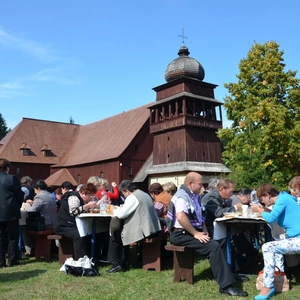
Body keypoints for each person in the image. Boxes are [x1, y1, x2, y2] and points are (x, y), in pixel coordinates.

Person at [166, 172, 248, 297]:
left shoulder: (195, 196)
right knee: (213, 246)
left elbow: (200, 217)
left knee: (221, 240)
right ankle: (226, 286)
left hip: (189, 232)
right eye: (200, 184)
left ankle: (230, 274)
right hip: (180, 235)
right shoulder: (182, 196)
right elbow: (181, 217)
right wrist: (196, 233)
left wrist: (204, 230)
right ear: (190, 184)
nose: (202, 186)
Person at [253, 183, 300, 300]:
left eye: (262, 198)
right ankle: (279, 279)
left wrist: (260, 211)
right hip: (295, 237)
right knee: (275, 247)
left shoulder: (282, 199)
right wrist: (264, 210)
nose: (262, 201)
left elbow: (270, 218)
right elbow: (275, 215)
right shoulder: (285, 198)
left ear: (267, 195)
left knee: (267, 247)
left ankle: (268, 286)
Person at [108, 180, 161, 273]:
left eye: (123, 193)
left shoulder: (132, 197)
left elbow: (121, 215)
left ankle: (117, 264)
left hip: (145, 230)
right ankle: (125, 261)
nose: (124, 196)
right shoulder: (144, 194)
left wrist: (113, 210)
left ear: (127, 191)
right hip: (152, 228)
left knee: (115, 235)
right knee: (121, 233)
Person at [54, 183, 101, 260]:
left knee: (91, 232)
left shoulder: (83, 199)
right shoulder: (74, 198)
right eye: (89, 196)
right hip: (63, 225)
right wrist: (88, 206)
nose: (91, 198)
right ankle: (80, 260)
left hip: (72, 224)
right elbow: (73, 212)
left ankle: (92, 257)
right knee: (79, 235)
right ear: (82, 193)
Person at [22, 179, 57, 256]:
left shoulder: (39, 197)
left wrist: (28, 205)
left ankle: (30, 250)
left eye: (35, 189)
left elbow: (32, 211)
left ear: (38, 188)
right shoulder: (50, 195)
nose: (34, 192)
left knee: (25, 228)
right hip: (53, 223)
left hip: (45, 224)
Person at [0, 158, 24, 267]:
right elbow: (19, 195)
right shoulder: (11, 178)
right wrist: (16, 206)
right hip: (11, 211)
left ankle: (1, 262)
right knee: (13, 237)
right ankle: (11, 260)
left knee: (0, 237)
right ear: (7, 168)